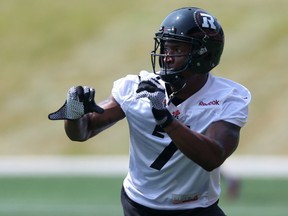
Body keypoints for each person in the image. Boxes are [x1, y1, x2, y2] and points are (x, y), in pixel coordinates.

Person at [49, 7, 251, 216]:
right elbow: (83, 132)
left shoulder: (229, 97)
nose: (166, 56)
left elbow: (212, 157)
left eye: (176, 49)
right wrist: (74, 114)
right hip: (140, 207)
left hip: (197, 208)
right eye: (165, 46)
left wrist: (165, 118)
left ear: (203, 54)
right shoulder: (137, 88)